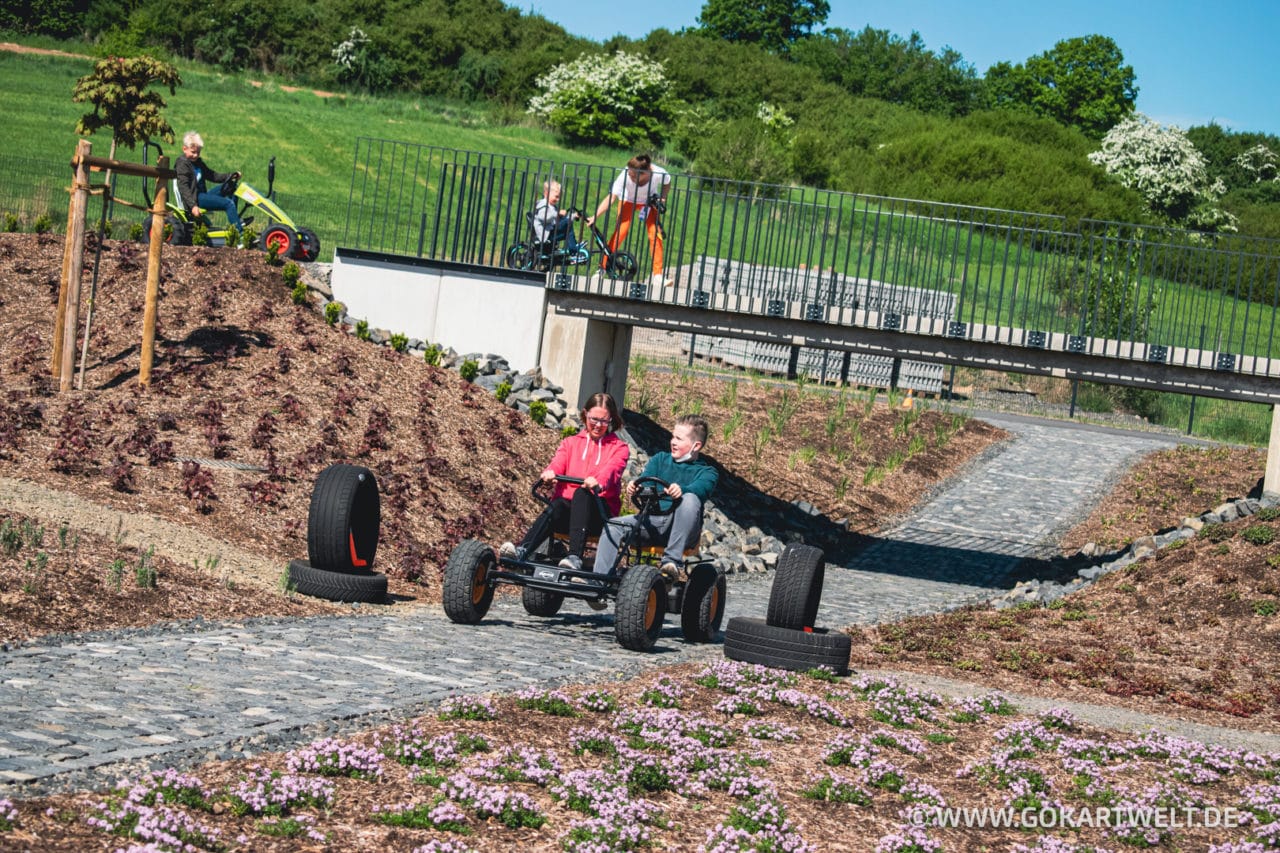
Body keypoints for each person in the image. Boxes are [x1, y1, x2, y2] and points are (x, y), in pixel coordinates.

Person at [500, 392, 629, 576]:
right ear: (585, 415)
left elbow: (613, 470)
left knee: (583, 493)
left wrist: (598, 482)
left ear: (611, 420)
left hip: (599, 516)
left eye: (604, 421)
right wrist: (551, 472)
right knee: (559, 503)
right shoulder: (570, 443)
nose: (598, 425)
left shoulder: (619, 448)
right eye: (594, 419)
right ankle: (523, 550)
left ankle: (574, 557)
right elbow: (559, 461)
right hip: (568, 515)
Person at [591, 414, 717, 578]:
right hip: (653, 522)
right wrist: (636, 488)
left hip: (682, 527)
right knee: (613, 525)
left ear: (696, 445)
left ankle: (671, 561)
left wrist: (682, 490)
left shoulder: (708, 472)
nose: (673, 442)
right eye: (673, 437)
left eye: (679, 439)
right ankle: (599, 579)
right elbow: (646, 484)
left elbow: (700, 489)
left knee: (690, 498)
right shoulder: (659, 460)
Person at [587, 153, 672, 287]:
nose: (629, 175)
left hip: (648, 203)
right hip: (628, 200)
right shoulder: (624, 175)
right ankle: (602, 269)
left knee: (655, 235)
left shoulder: (658, 173)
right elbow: (611, 198)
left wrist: (663, 197)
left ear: (644, 173)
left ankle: (658, 275)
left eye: (633, 175)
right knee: (620, 233)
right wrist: (595, 216)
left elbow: (668, 182)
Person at [175, 131, 248, 234]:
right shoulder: (183, 164)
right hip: (195, 199)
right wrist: (193, 206)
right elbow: (183, 187)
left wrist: (231, 176)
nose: (196, 155)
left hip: (202, 196)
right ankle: (239, 234)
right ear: (184, 149)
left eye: (198, 152)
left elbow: (212, 175)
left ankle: (236, 220)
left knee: (231, 186)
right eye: (193, 152)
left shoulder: (198, 163)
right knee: (228, 204)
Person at [531, 180, 588, 263]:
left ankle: (573, 248)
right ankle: (573, 252)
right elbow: (544, 217)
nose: (558, 199)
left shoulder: (552, 206)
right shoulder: (542, 205)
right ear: (546, 194)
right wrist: (558, 213)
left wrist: (573, 216)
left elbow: (561, 219)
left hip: (551, 231)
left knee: (567, 226)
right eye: (556, 196)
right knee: (567, 224)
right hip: (545, 235)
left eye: (559, 197)